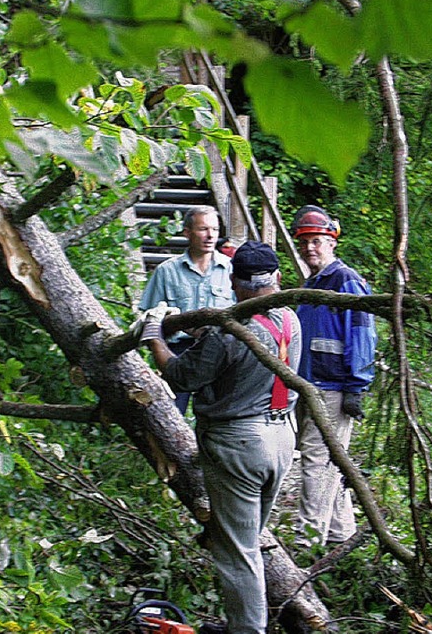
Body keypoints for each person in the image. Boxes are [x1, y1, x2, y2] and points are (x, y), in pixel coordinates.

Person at [139, 241, 302, 634]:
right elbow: (231, 344)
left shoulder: (229, 332)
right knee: (248, 540)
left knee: (237, 550)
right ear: (277, 279)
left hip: (239, 444)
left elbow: (181, 376)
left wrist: (154, 338)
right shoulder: (290, 319)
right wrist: (199, 327)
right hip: (282, 436)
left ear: (233, 280)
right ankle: (242, 624)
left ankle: (247, 631)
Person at [291, 205, 377, 547]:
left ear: (332, 242)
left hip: (334, 388)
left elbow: (363, 333)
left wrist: (356, 384)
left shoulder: (346, 281)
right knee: (329, 462)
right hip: (309, 384)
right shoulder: (313, 284)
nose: (310, 247)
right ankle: (343, 537)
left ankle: (306, 542)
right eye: (305, 241)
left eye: (317, 241)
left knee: (317, 462)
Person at [138, 205, 235, 414]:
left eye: (215, 230)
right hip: (177, 351)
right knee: (171, 413)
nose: (210, 236)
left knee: (218, 413)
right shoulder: (166, 271)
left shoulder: (231, 269)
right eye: (203, 229)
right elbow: (149, 317)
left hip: (218, 351)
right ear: (187, 233)